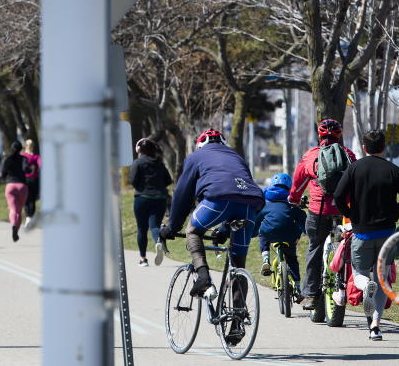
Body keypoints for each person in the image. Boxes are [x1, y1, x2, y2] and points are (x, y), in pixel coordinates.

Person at [160, 129, 265, 300]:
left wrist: (173, 227)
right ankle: (237, 322)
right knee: (239, 265)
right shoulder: (236, 156)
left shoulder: (196, 156)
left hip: (218, 197)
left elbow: (182, 194)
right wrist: (224, 229)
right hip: (251, 202)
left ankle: (203, 278)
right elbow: (238, 192)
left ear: (200, 144)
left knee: (193, 230)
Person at [334, 129, 399, 341]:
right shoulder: (393, 170)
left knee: (360, 273)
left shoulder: (354, 168)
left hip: (362, 234)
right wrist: (394, 209)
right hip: (387, 235)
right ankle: (376, 327)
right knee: (381, 279)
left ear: (363, 148)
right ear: (384, 147)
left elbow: (338, 195)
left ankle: (363, 286)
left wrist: (350, 214)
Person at [288, 118, 357, 310]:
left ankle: (310, 294)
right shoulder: (349, 154)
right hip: (345, 210)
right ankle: (346, 287)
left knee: (315, 247)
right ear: (339, 135)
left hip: (319, 210)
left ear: (319, 135)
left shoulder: (311, 155)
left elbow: (298, 184)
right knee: (348, 247)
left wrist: (293, 199)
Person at [253, 173, 305, 302]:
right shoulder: (292, 202)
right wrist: (304, 231)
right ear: (289, 186)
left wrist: (253, 232)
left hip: (270, 233)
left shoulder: (265, 202)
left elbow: (257, 220)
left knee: (262, 232)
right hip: (289, 234)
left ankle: (266, 259)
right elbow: (302, 218)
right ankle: (298, 286)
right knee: (292, 258)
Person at [129, 137, 172, 267]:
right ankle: (158, 241)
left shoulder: (137, 163)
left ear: (138, 149)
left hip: (142, 198)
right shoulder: (159, 163)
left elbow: (132, 180)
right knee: (154, 226)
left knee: (142, 229)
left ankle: (143, 259)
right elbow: (168, 180)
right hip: (159, 199)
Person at [0, 141, 30, 242]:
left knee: (12, 210)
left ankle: (13, 225)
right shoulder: (24, 159)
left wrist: (6, 179)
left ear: (11, 149)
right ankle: (16, 231)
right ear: (21, 149)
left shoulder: (7, 159)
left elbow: (2, 174)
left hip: (10, 186)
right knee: (19, 211)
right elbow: (27, 169)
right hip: (22, 186)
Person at [21, 139, 41, 229]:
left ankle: (27, 218)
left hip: (24, 179)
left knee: (26, 199)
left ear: (25, 146)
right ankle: (30, 218)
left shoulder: (22, 155)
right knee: (32, 200)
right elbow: (41, 165)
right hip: (34, 179)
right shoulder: (36, 157)